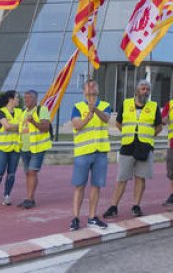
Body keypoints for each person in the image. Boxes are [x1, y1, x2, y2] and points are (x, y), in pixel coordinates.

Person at [104, 79, 163, 219]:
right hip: (128, 145)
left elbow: (159, 127)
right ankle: (113, 206)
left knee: (140, 178)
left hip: (145, 146)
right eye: (143, 88)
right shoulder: (126, 103)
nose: (145, 91)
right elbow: (118, 123)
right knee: (122, 177)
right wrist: (127, 132)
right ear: (137, 90)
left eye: (147, 89)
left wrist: (148, 136)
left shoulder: (154, 106)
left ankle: (136, 205)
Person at [70, 78, 112, 231]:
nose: (91, 86)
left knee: (96, 185)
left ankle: (92, 216)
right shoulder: (78, 106)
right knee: (79, 185)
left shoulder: (105, 105)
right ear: (84, 91)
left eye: (94, 84)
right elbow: (77, 125)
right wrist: (88, 116)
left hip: (100, 151)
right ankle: (75, 217)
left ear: (98, 90)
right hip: (83, 152)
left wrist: (95, 110)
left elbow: (106, 118)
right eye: (88, 85)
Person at [18, 89, 51, 209]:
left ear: (35, 99)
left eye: (29, 98)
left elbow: (45, 127)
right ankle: (29, 197)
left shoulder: (42, 110)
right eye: (25, 98)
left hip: (37, 147)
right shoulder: (23, 111)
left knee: (32, 172)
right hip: (25, 147)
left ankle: (30, 198)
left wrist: (33, 122)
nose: (26, 100)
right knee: (28, 173)